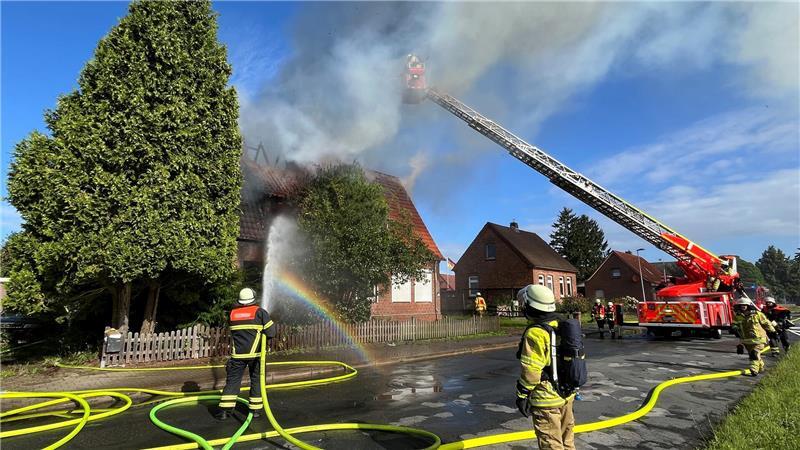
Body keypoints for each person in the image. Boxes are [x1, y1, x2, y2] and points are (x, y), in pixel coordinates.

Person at [515, 285, 576, 450]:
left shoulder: (536, 333)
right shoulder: (561, 325)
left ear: (531, 306)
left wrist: (522, 395)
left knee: (551, 445)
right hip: (566, 395)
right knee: (567, 442)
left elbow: (531, 371)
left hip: (546, 400)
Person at [214, 287, 276, 420]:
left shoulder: (232, 314)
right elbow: (271, 333)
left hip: (238, 355)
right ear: (253, 298)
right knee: (257, 381)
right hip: (257, 355)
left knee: (233, 381)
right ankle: (255, 411)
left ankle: (224, 411)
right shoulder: (260, 312)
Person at [732, 298, 777, 376]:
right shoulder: (738, 316)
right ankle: (761, 366)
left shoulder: (757, 314)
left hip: (759, 339)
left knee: (754, 353)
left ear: (749, 305)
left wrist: (773, 331)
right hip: (746, 340)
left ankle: (753, 369)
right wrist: (734, 328)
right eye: (741, 305)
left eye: (745, 305)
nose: (743, 306)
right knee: (753, 355)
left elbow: (766, 323)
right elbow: (734, 324)